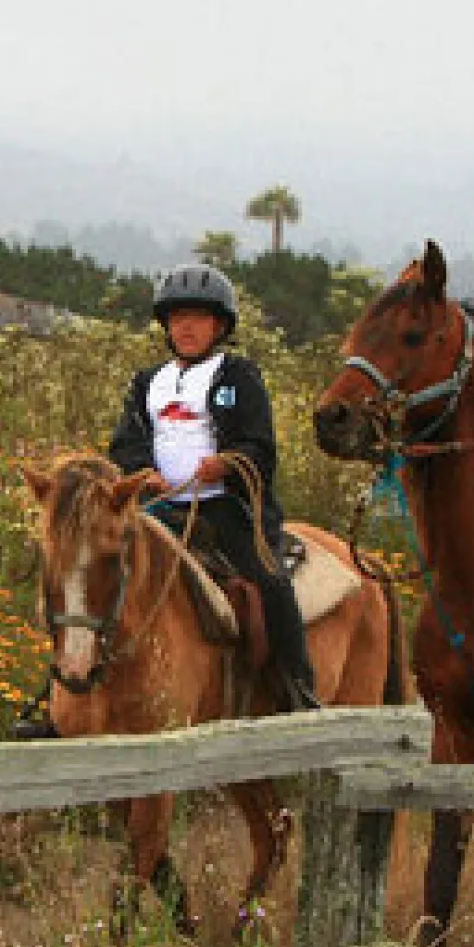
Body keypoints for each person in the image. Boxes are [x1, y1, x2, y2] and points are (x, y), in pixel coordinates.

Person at [108, 263, 317, 709]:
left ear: (219, 325)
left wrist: (226, 464)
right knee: (93, 572)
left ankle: (298, 688)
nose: (186, 326)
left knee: (271, 582)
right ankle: (60, 695)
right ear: (165, 324)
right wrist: (143, 470)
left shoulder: (238, 376)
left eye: (198, 317)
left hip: (226, 511)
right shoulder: (148, 383)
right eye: (177, 317)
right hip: (160, 508)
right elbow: (125, 442)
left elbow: (260, 446)